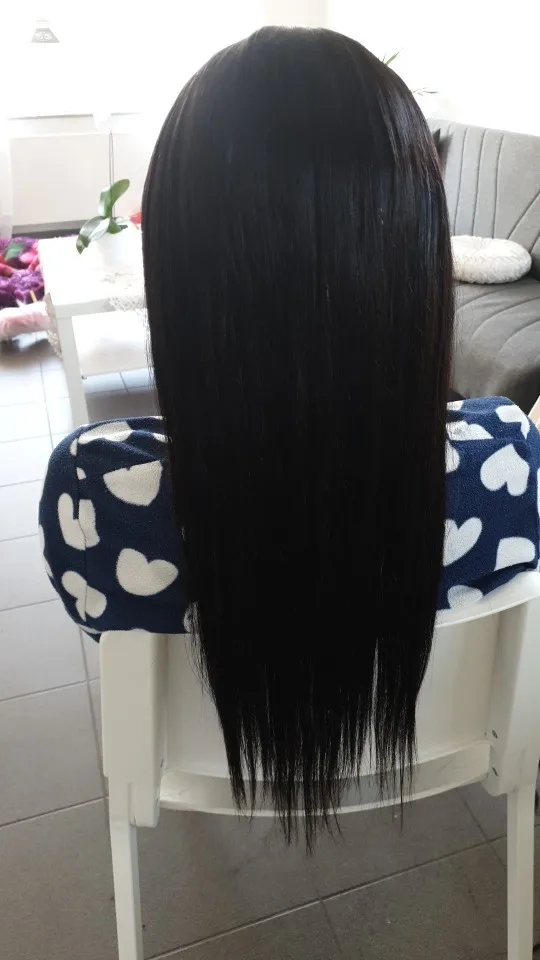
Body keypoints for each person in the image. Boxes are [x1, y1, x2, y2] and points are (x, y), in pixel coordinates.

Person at [39, 26, 540, 844]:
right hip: (432, 751)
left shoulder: (96, 491)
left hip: (196, 767)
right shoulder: (509, 460)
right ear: (415, 256)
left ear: (181, 272)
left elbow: (100, 621)